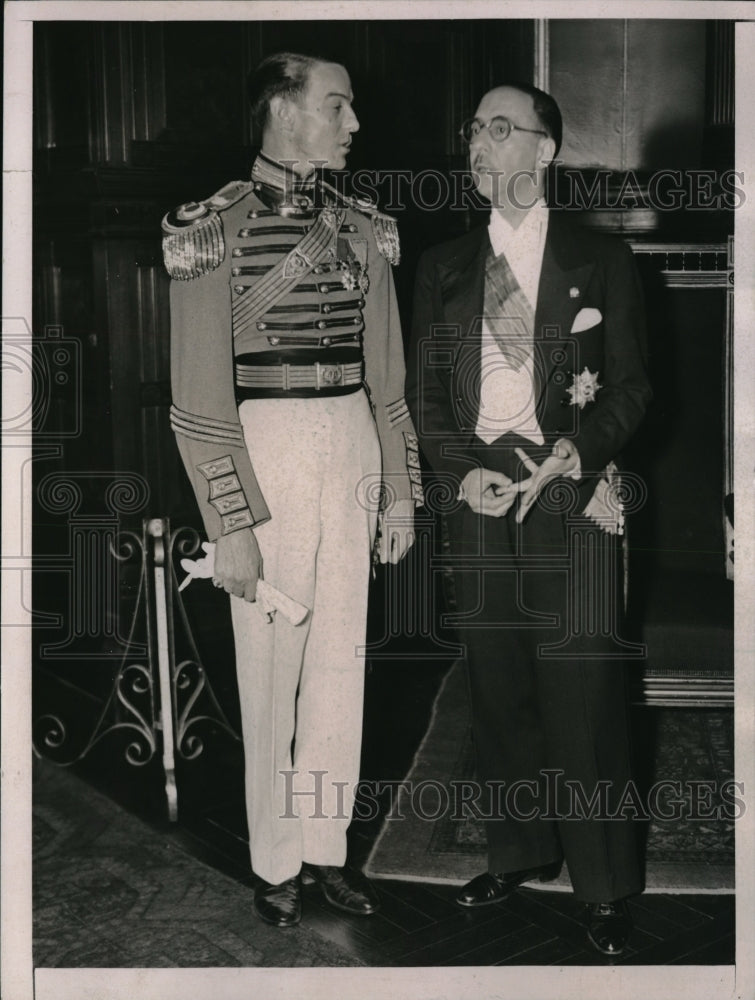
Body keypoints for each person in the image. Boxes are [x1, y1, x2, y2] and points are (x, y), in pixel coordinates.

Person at [162, 52, 421, 928]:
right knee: (269, 672)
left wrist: (397, 489)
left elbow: (386, 378)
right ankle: (273, 858)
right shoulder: (211, 229)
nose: (353, 125)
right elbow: (197, 400)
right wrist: (230, 525)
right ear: (282, 110)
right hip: (262, 448)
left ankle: (324, 848)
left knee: (341, 662)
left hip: (349, 445)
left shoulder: (364, 228)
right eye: (336, 106)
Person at [405, 82, 651, 956]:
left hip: (568, 485)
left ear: (543, 150)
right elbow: (425, 396)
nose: (478, 143)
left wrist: (580, 454)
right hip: (479, 491)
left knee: (582, 689)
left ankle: (605, 883)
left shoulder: (599, 260)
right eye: (473, 128)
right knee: (497, 683)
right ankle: (519, 849)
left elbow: (631, 386)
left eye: (500, 129)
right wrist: (458, 473)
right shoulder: (441, 265)